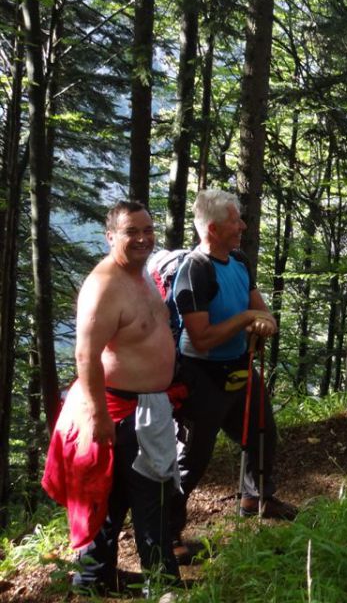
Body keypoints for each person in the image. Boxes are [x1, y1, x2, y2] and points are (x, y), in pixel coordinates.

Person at [42, 201, 180, 594]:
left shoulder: (143, 275)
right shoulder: (104, 285)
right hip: (119, 410)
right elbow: (85, 354)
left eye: (148, 230)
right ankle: (160, 582)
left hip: (145, 407)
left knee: (116, 498)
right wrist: (100, 416)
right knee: (143, 498)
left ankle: (95, 577)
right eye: (131, 231)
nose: (142, 238)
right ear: (110, 237)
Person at [169, 189, 296, 553]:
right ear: (212, 228)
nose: (242, 225)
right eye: (234, 220)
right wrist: (246, 319)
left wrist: (263, 323)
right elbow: (202, 337)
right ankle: (168, 534)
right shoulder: (195, 270)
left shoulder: (239, 261)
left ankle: (257, 498)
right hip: (201, 375)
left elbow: (263, 312)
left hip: (240, 367)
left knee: (262, 434)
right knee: (192, 458)